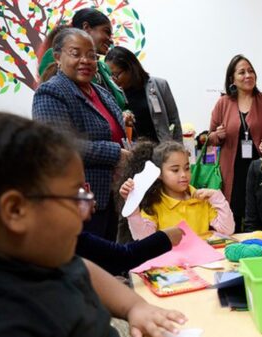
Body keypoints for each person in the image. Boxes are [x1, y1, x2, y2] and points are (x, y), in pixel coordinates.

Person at [0, 111, 186, 336]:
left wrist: (135, 306)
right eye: (76, 196)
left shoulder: (49, 256)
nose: (88, 211)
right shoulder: (3, 322)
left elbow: (82, 268)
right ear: (15, 210)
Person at [33, 28, 126, 241]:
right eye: (76, 54)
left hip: (115, 195)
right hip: (81, 199)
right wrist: (117, 153)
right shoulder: (51, 91)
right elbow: (60, 146)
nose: (85, 60)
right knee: (88, 266)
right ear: (58, 57)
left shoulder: (100, 92)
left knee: (112, 262)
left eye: (91, 55)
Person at [209, 54, 262, 230]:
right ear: (232, 78)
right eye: (242, 72)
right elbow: (209, 137)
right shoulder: (223, 103)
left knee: (259, 211)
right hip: (233, 171)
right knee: (233, 212)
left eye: (251, 71)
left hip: (260, 168)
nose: (248, 75)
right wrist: (218, 135)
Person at [119, 141, 234, 240]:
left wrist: (216, 197)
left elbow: (227, 230)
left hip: (202, 263)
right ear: (159, 173)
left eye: (187, 168)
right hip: (170, 264)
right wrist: (132, 207)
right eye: (175, 170)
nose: (184, 175)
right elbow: (143, 239)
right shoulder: (155, 204)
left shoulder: (201, 198)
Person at [38, 8, 126, 109]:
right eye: (106, 32)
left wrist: (123, 116)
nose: (110, 40)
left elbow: (118, 104)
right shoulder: (56, 56)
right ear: (86, 27)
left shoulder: (103, 67)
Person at [105, 46, 182, 143]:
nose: (113, 80)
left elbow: (174, 121)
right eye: (110, 77)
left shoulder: (160, 85)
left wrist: (179, 151)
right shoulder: (113, 96)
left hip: (163, 151)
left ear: (130, 68)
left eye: (116, 75)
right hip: (136, 154)